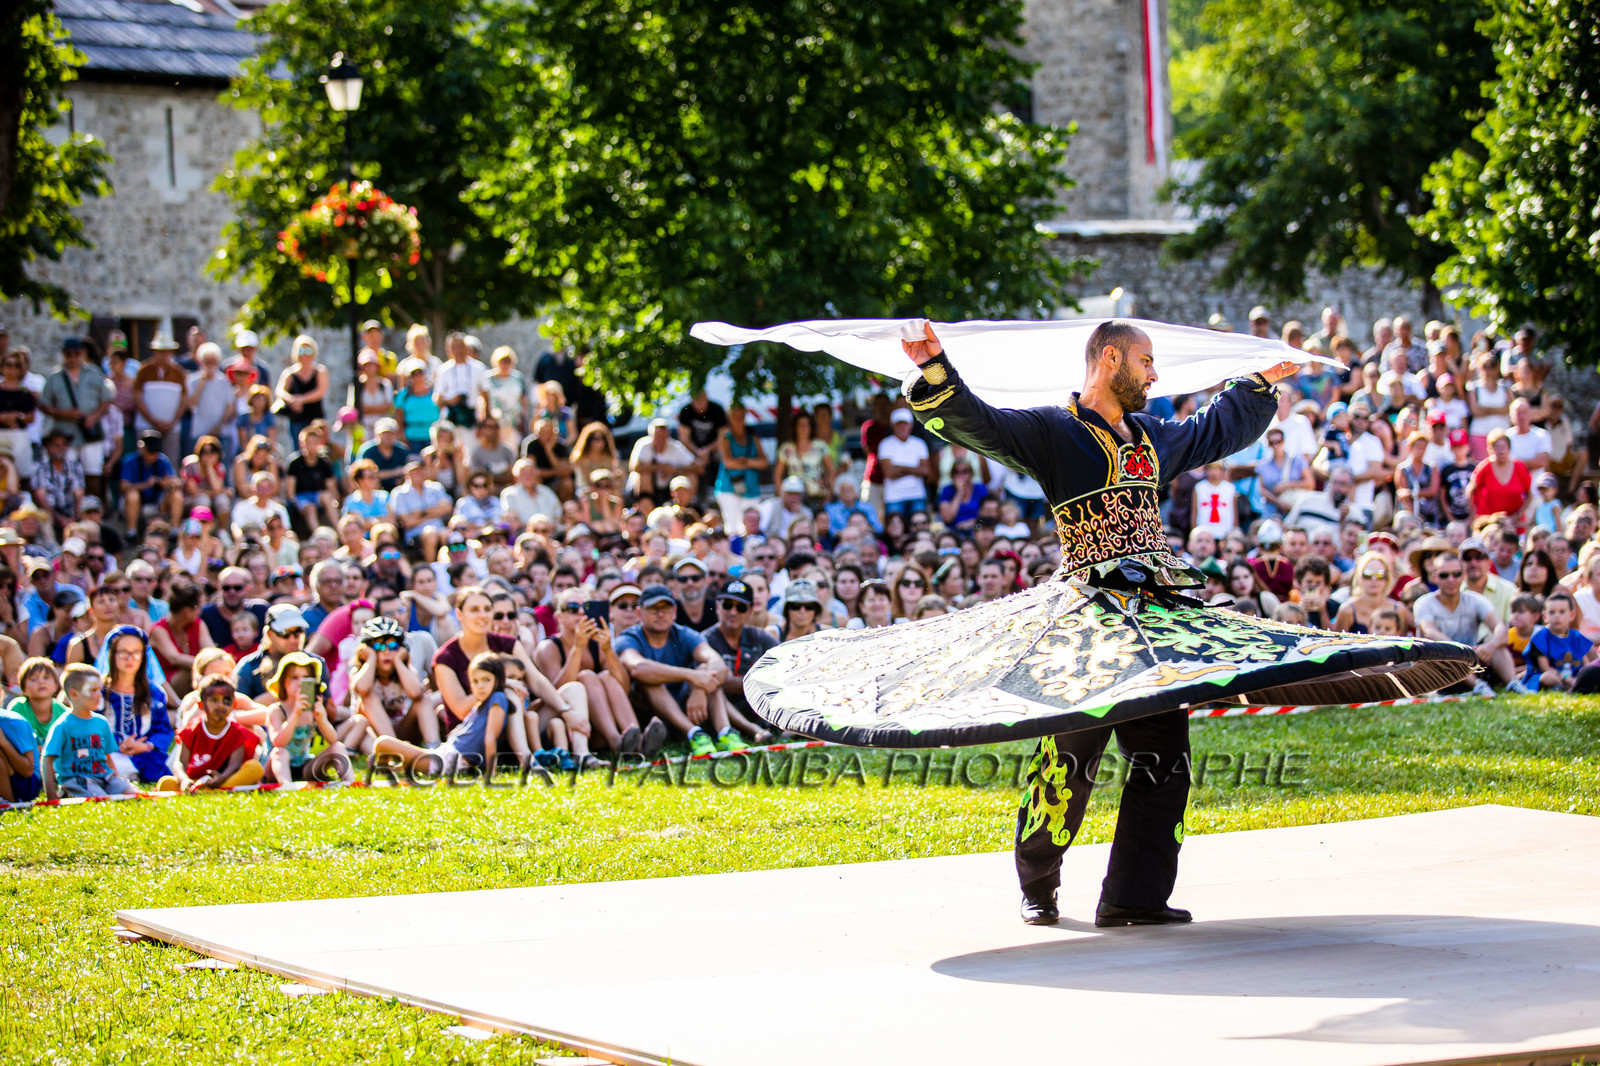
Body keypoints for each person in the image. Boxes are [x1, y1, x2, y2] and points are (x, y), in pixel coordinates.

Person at [742, 319, 1474, 932]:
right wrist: (935, 367)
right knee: (1070, 755)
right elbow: (980, 425)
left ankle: (1132, 897)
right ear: (1110, 358)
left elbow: (1215, 430)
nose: (1156, 375)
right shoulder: (1054, 433)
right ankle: (1038, 883)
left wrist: (1260, 381)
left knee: (1167, 760)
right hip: (1085, 622)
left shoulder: (1153, 436)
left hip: (1156, 620)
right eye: (1148, 361)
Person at [615, 584, 746, 756]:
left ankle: (725, 732)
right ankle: (695, 734)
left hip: (688, 707)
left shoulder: (685, 634)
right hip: (648, 712)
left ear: (675, 611)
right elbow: (638, 668)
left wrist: (700, 686)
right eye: (653, 609)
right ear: (639, 613)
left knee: (706, 668)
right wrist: (693, 676)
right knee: (651, 679)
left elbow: (717, 663)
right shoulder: (628, 638)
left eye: (666, 608)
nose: (661, 614)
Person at [1412, 551, 1507, 696]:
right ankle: (1478, 687)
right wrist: (1460, 650)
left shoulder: (1475, 599)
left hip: (1473, 662)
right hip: (1438, 666)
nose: (1451, 579)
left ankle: (1512, 683)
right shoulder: (1424, 603)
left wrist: (1491, 646)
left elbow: (1499, 626)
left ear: (1463, 575)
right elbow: (1429, 631)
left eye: (1456, 574)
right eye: (1444, 575)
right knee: (1443, 649)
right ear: (1435, 576)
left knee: (1492, 639)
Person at [156, 675, 265, 792]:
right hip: (195, 780)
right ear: (201, 704)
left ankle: (214, 790)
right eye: (214, 700)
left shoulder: (239, 732)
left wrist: (220, 779)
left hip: (225, 778)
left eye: (226, 700)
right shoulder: (191, 730)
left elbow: (235, 765)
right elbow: (179, 763)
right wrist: (184, 780)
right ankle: (205, 789)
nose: (221, 705)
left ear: (234, 704)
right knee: (166, 783)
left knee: (255, 768)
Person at [94, 626, 174, 785]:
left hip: (145, 753)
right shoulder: (98, 691)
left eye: (136, 652)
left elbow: (164, 730)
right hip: (110, 754)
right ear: (112, 654)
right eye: (123, 652)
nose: (130, 658)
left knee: (173, 762)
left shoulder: (154, 693)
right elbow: (90, 727)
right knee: (99, 766)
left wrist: (146, 746)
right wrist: (118, 745)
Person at [42, 664, 134, 801]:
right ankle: (68, 794)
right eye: (93, 690)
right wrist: (50, 793)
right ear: (74, 694)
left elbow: (107, 756)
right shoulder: (63, 726)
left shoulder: (101, 722)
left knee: (132, 794)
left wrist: (117, 780)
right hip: (78, 780)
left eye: (100, 689)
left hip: (105, 777)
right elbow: (47, 759)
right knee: (101, 800)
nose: (99, 695)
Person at [701, 578, 777, 742]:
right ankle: (753, 730)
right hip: (718, 709)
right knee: (714, 686)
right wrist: (760, 682)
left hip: (752, 707)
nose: (733, 612)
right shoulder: (704, 640)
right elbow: (717, 682)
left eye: (741, 607)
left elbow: (785, 664)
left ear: (750, 611)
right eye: (727, 605)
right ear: (718, 607)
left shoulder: (759, 636)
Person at [263, 652, 352, 784]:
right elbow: (279, 743)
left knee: (338, 747)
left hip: (304, 766)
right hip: (275, 767)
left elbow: (333, 739)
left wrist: (321, 719)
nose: (300, 682)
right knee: (280, 752)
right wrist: (295, 715)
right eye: (294, 677)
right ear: (283, 682)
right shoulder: (277, 710)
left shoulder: (312, 708)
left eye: (305, 678)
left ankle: (350, 781)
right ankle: (287, 785)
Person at [39, 336, 111, 499]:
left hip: (90, 431)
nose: (72, 357)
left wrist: (94, 417)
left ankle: (93, 509)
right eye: (68, 354)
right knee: (66, 472)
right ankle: (69, 508)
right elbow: (44, 404)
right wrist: (63, 413)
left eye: (76, 353)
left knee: (93, 472)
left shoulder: (94, 373)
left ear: (82, 353)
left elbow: (106, 399)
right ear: (64, 354)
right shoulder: (54, 378)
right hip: (65, 433)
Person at [1521, 590, 1595, 693]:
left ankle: (1574, 687)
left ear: (1572, 615)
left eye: (1562, 612)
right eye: (1552, 612)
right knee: (1547, 677)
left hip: (1573, 677)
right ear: (1545, 616)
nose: (1557, 616)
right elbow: (1545, 668)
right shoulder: (1540, 637)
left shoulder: (1577, 637)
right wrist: (1566, 678)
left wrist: (1583, 677)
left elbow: (1585, 664)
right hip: (1551, 676)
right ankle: (1564, 688)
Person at [713, 403, 767, 530]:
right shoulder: (725, 437)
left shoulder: (752, 437)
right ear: (729, 417)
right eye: (735, 415)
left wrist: (745, 461)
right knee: (733, 528)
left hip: (751, 488)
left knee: (751, 526)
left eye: (741, 415)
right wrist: (752, 462)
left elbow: (764, 462)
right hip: (728, 487)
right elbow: (728, 462)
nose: (738, 418)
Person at [274, 335, 330, 443]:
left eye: (308, 350)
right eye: (301, 350)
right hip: (297, 419)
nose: (304, 354)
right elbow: (280, 391)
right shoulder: (290, 373)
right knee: (298, 446)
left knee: (318, 446)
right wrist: (292, 400)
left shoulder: (319, 371)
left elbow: (321, 391)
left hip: (315, 417)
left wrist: (302, 399)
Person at [877, 409, 930, 518]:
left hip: (917, 494)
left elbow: (925, 471)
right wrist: (914, 469)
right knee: (895, 528)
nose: (902, 427)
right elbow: (889, 473)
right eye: (899, 424)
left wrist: (900, 467)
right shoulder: (885, 444)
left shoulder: (919, 443)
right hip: (894, 496)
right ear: (893, 426)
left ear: (910, 425)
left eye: (905, 424)